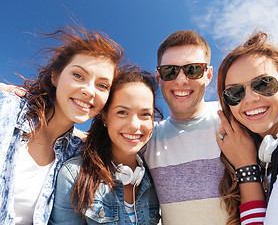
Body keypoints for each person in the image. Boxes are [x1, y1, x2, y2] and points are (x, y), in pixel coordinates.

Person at [0, 25, 123, 225]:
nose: (89, 91)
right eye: (78, 75)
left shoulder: (76, 153)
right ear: (55, 76)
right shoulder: (7, 109)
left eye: (102, 85)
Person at [217, 31, 278, 225]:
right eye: (235, 92)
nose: (250, 99)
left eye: (262, 84)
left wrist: (246, 168)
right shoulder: (273, 149)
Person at [49, 65, 162, 225]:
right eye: (122, 112)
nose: (135, 125)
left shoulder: (155, 177)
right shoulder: (73, 176)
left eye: (145, 114)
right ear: (105, 117)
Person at [141, 30, 229, 224]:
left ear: (208, 74)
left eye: (193, 69)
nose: (181, 80)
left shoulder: (233, 120)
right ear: (158, 77)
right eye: (170, 71)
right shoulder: (146, 138)